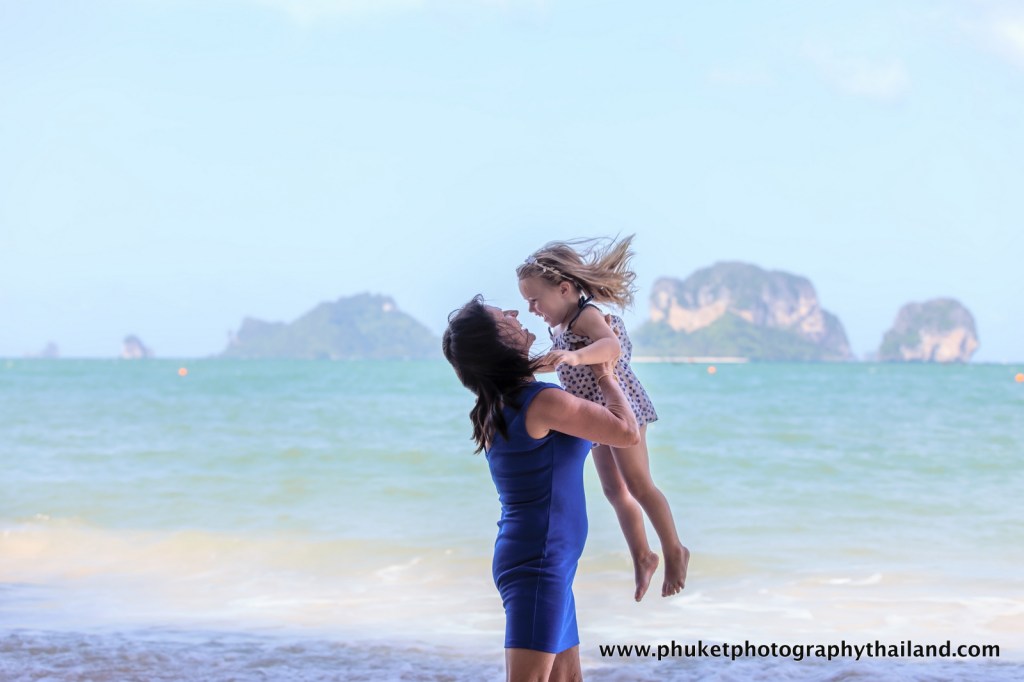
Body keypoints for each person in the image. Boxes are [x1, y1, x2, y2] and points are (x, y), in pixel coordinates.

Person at [443, 295, 640, 682]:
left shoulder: (512, 399)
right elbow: (626, 432)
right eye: (504, 316)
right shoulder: (540, 402)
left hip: (546, 561)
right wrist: (605, 373)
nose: (515, 313)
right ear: (495, 343)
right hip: (539, 564)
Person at [516, 235, 689, 601]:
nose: (532, 309)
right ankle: (643, 556)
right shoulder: (560, 327)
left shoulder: (586, 315)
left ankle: (674, 548)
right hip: (594, 416)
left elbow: (608, 345)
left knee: (639, 484)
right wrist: (535, 365)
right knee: (614, 491)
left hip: (621, 406)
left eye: (534, 300)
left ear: (564, 289)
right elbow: (561, 358)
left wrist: (577, 359)